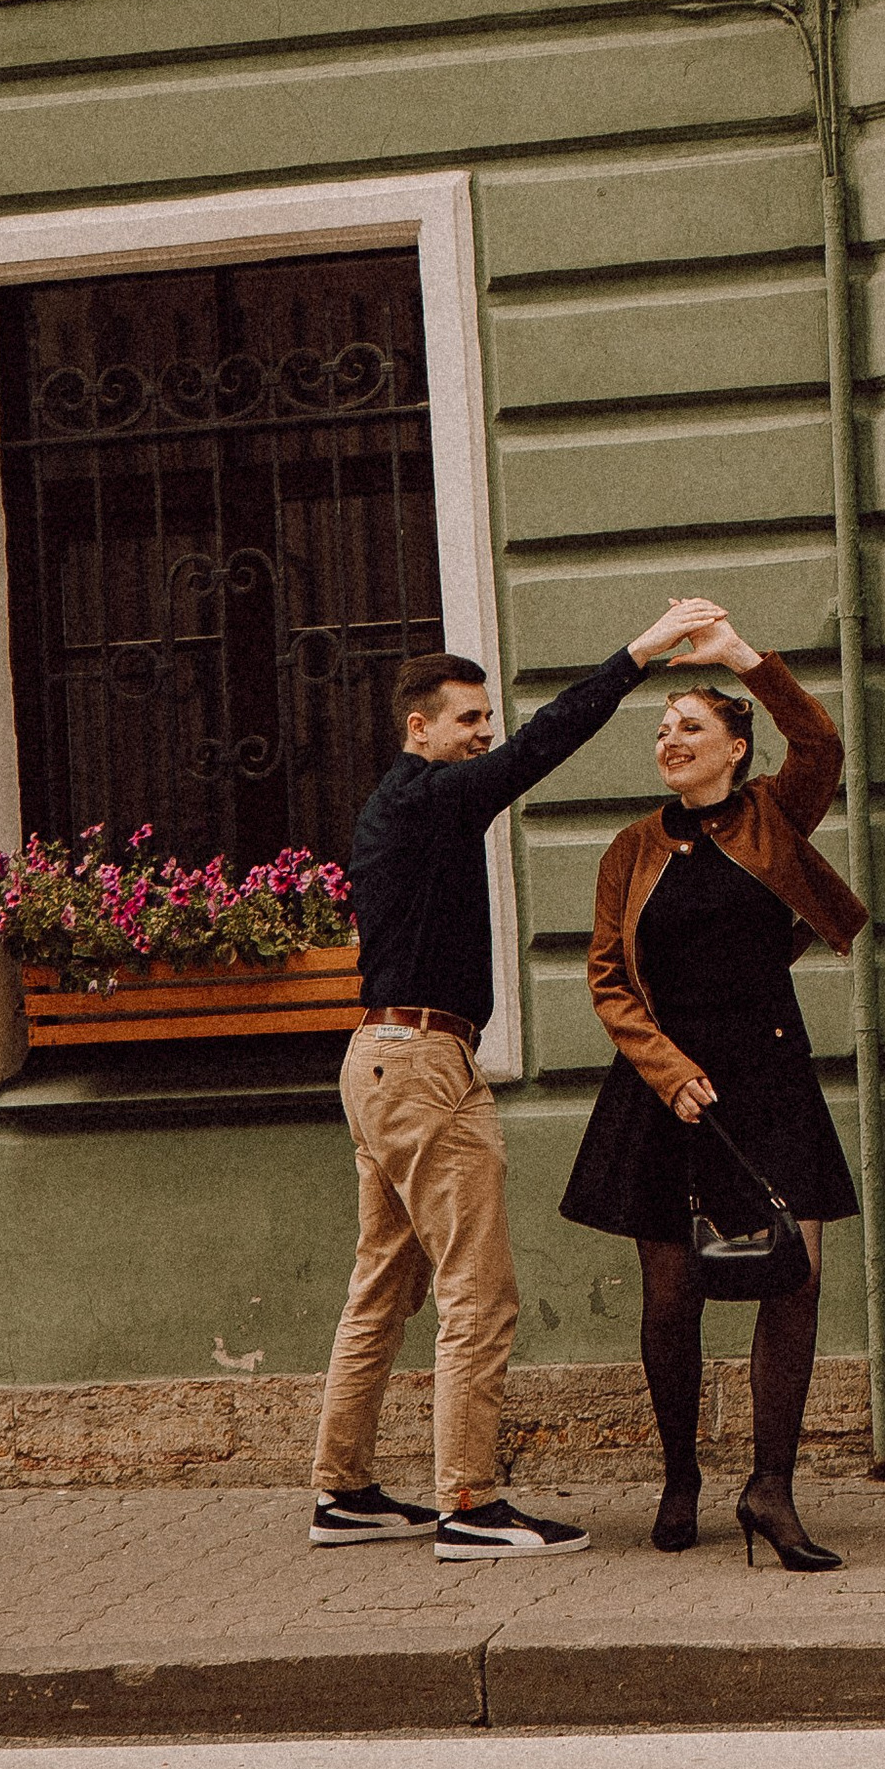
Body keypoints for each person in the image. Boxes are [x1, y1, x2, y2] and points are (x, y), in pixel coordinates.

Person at [309, 594, 728, 1561]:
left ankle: (344, 1490)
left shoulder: (400, 806)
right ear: (419, 728)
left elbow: (518, 749)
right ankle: (468, 1502)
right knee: (478, 1294)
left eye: (486, 718)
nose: (484, 735)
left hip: (382, 1061)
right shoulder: (429, 796)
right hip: (422, 1067)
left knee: (383, 1288)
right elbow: (542, 746)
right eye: (468, 720)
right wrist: (637, 654)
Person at [559, 622, 866, 1569]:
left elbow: (819, 742)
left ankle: (771, 1488)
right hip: (667, 1089)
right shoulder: (631, 849)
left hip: (769, 1074)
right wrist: (667, 1069)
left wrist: (742, 658)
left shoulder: (776, 813)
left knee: (796, 1279)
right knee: (672, 1293)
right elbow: (608, 976)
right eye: (662, 730)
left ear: (735, 749)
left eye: (690, 727)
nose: (671, 741)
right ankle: (681, 1475)